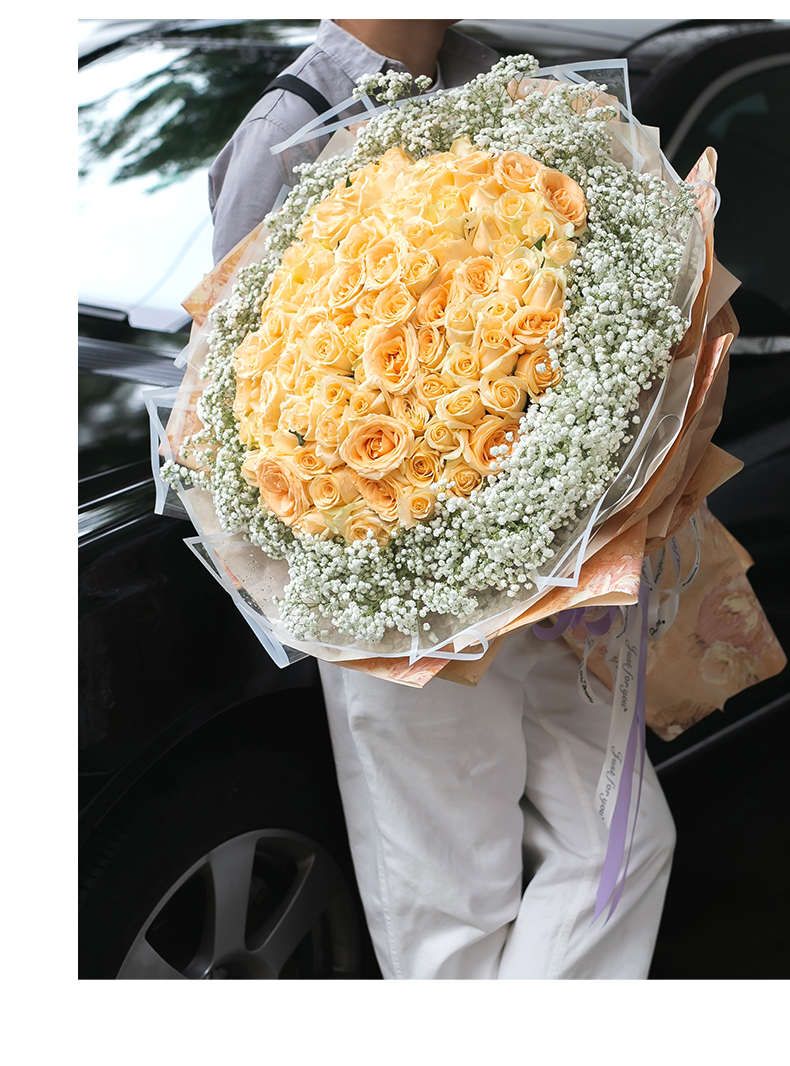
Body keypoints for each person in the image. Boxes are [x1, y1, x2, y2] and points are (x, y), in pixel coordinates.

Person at [208, 18, 676, 980]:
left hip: (537, 569)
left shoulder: (493, 72)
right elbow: (236, 398)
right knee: (450, 914)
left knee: (623, 844)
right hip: (392, 590)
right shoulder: (287, 126)